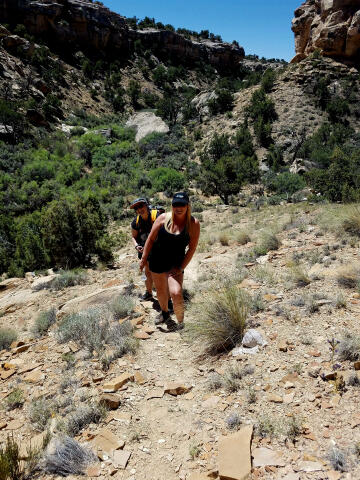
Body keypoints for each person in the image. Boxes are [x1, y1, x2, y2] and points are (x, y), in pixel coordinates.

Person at [140, 192, 200, 331]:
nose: (178, 207)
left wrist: (180, 267)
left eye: (182, 204)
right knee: (161, 291)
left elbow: (192, 249)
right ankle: (165, 313)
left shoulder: (193, 224)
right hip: (157, 260)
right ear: (171, 205)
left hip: (175, 263)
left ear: (187, 206)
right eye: (175, 204)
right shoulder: (162, 218)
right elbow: (150, 239)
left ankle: (181, 323)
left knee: (176, 292)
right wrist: (143, 259)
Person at [130, 198, 159, 300]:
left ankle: (166, 298)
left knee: (160, 273)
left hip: (158, 250)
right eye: (136, 208)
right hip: (144, 251)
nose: (139, 209)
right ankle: (149, 293)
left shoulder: (157, 216)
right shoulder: (136, 222)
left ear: (146, 205)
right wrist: (136, 246)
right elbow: (133, 236)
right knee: (147, 272)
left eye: (141, 206)